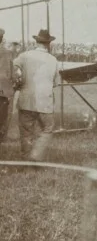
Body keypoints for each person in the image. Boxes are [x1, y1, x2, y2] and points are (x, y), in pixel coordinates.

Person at [13, 29, 60, 161]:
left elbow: (14, 70)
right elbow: (56, 83)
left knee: (26, 133)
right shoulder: (53, 60)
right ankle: (36, 155)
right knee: (47, 129)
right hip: (45, 102)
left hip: (26, 100)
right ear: (48, 43)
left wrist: (19, 81)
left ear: (36, 41)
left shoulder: (24, 56)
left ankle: (26, 160)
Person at [0, 28, 15, 143]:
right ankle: (1, 136)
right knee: (3, 114)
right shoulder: (8, 53)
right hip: (3, 89)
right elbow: (12, 72)